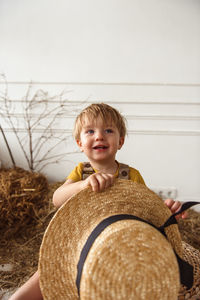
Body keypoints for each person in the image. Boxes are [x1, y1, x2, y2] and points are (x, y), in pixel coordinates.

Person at [9, 103, 186, 300]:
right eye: (90, 131)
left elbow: (148, 211)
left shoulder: (131, 175)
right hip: (82, 241)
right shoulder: (81, 172)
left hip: (122, 245)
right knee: (46, 272)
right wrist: (82, 185)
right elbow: (57, 199)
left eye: (108, 130)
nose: (99, 136)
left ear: (120, 141)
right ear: (79, 143)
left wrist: (167, 210)